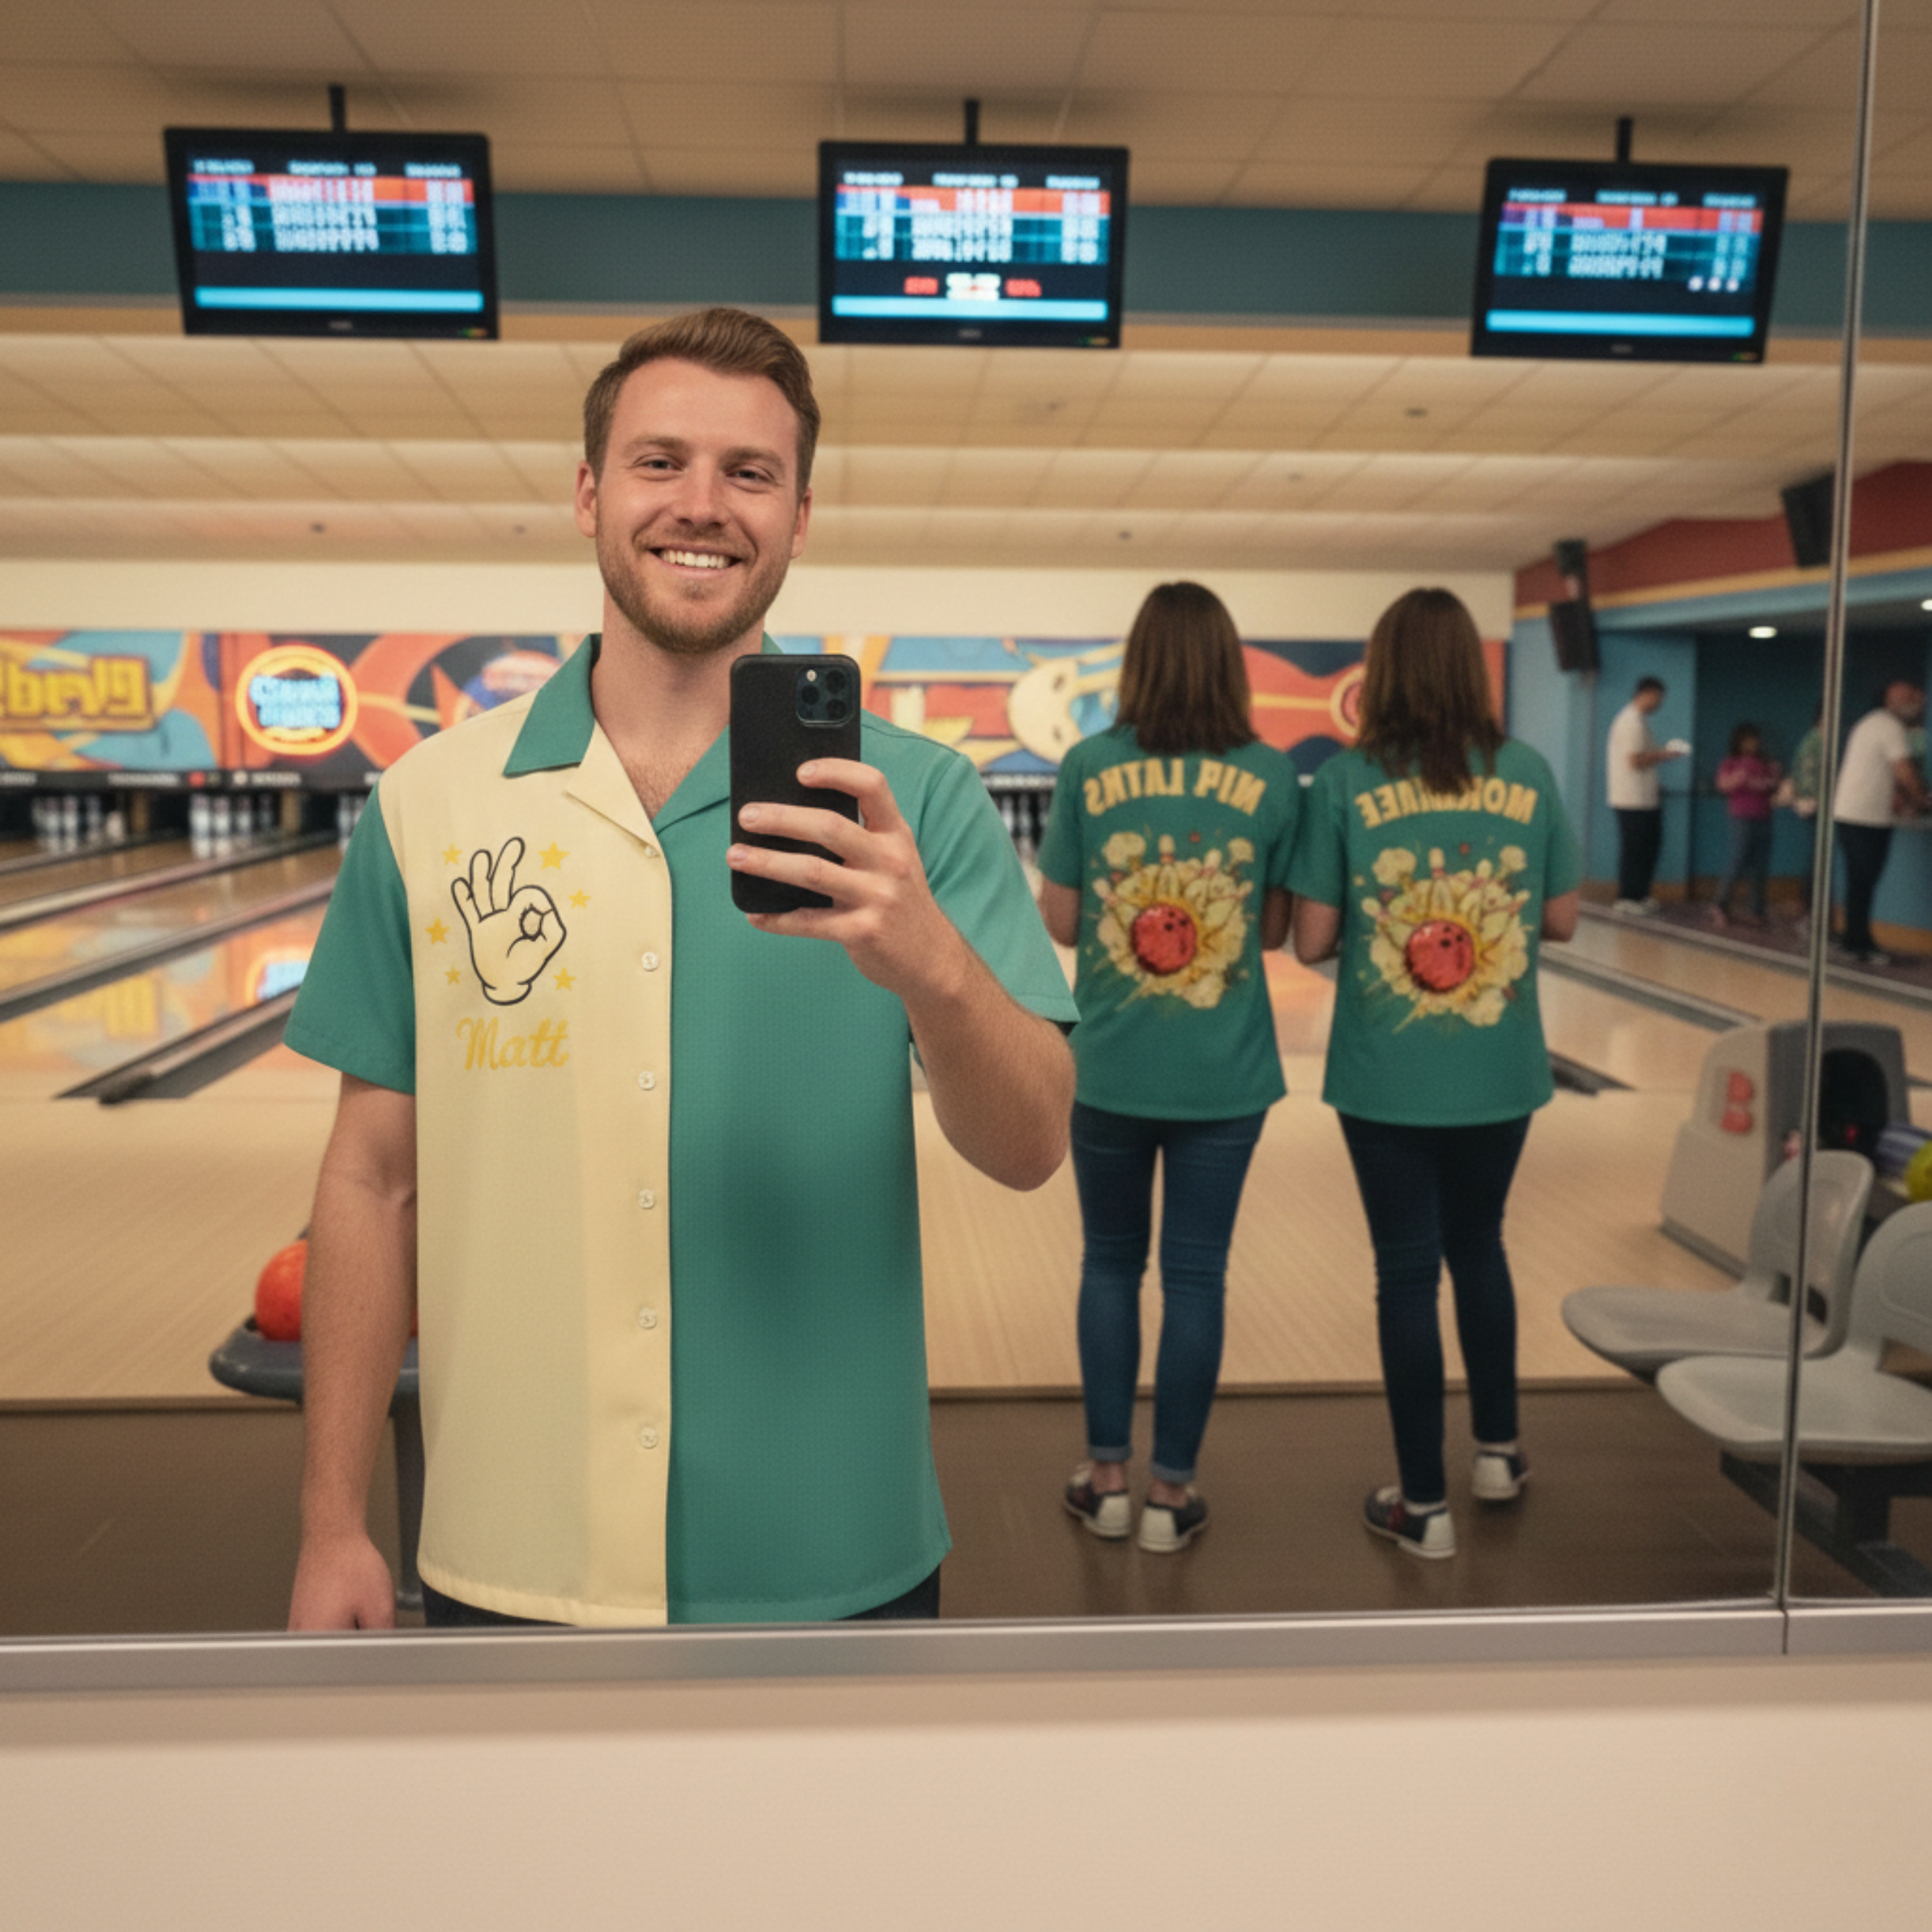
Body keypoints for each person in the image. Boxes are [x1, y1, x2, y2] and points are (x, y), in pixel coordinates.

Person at [283, 307, 1078, 1631]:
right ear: (590, 490)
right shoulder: (431, 800)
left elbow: (1031, 1142)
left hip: (836, 1548)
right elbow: (374, 1175)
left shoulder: (918, 802)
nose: (701, 505)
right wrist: (330, 1521)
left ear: (801, 514)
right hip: (505, 1547)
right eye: (659, 462)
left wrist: (933, 969)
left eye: (749, 472)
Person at [1288, 589, 1581, 1560]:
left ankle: (1422, 1503)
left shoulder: (1343, 779)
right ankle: (1496, 1451)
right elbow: (1565, 917)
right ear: (1468, 667)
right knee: (1480, 1248)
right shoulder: (1528, 771)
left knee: (1405, 1274)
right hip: (1498, 1070)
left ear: (1382, 671)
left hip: (1384, 1076)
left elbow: (1313, 936)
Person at [1035, 583, 1298, 1553]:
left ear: (1136, 662)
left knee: (1108, 1261)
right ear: (1228, 664)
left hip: (1106, 1065)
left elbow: (1058, 920)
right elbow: (1274, 927)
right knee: (1195, 1275)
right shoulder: (1271, 775)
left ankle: (1103, 1478)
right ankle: (1168, 1495)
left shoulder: (1087, 763)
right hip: (1224, 1076)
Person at [1834, 680, 1928, 967]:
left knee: (1859, 883)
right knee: (1863, 882)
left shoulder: (1871, 723)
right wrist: (1922, 799)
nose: (1916, 703)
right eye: (1909, 697)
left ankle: (1854, 941)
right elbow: (1904, 771)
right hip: (1865, 819)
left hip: (1852, 815)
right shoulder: (1890, 727)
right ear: (1891, 701)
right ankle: (1858, 944)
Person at [1605, 674, 1685, 912]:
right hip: (1631, 799)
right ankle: (1627, 897)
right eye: (1658, 698)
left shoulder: (1640, 721)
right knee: (1634, 849)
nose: (1659, 703)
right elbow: (1635, 761)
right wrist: (1668, 753)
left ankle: (1641, 894)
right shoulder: (1629, 722)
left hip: (1646, 798)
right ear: (1646, 694)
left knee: (1650, 847)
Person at [1709, 723, 1782, 926]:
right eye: (1748, 739)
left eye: (1755, 739)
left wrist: (1774, 777)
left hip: (1764, 817)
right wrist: (1741, 774)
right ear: (1739, 741)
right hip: (1741, 817)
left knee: (1761, 864)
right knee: (1738, 860)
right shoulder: (1731, 762)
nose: (1753, 743)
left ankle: (1756, 909)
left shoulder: (1767, 763)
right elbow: (1723, 785)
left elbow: (1772, 787)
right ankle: (1719, 904)